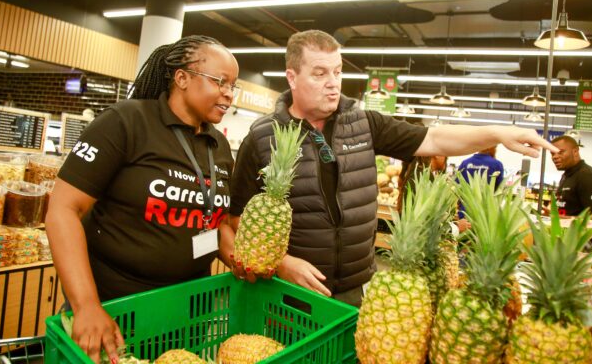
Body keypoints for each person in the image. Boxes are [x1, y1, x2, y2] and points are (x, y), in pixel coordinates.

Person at [220, 29, 557, 307]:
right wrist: (282, 264)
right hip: (285, 290)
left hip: (353, 290)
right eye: (319, 73)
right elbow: (238, 220)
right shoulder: (262, 137)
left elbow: (435, 139)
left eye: (337, 71)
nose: (333, 83)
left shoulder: (364, 124)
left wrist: (499, 132)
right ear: (292, 77)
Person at [46, 36, 239, 364]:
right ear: (182, 78)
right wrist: (86, 305)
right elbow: (63, 209)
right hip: (116, 312)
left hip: (186, 317)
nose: (229, 94)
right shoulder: (125, 122)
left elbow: (215, 222)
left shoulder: (218, 146)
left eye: (234, 86)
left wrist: (248, 259)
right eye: (221, 82)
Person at [550, 135, 592, 221]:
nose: (555, 157)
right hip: (563, 233)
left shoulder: (588, 177)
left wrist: (565, 219)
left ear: (575, 151)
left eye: (560, 152)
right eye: (552, 153)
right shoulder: (567, 175)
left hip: (580, 234)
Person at [456, 146, 505, 220]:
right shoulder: (497, 165)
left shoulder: (465, 163)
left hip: (466, 212)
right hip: (487, 214)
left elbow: (457, 186)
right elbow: (500, 190)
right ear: (493, 147)